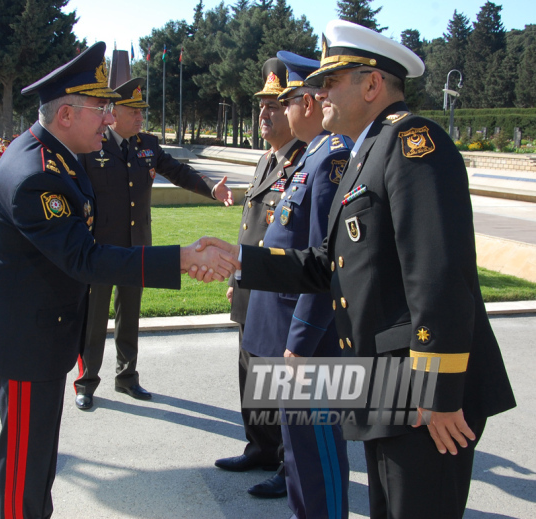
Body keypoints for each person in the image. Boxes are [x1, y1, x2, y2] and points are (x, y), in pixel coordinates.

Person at [201, 20, 516, 519]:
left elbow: (439, 274)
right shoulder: (365, 152)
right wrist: (243, 259)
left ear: (372, 85)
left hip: (422, 391)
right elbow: (329, 265)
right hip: (386, 387)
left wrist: (438, 392)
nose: (317, 92)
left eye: (330, 81)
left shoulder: (414, 144)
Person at [0, 41, 238, 519]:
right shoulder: (37, 174)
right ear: (67, 114)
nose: (109, 119)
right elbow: (84, 258)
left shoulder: (55, 153)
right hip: (29, 343)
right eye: (101, 108)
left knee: (36, 464)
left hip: (41, 334)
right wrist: (178, 258)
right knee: (24, 473)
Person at [73, 74, 233, 409]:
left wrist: (211, 189)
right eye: (135, 111)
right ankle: (86, 383)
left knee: (129, 314)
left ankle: (127, 377)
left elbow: (178, 171)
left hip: (138, 246)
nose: (141, 118)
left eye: (142, 112)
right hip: (100, 250)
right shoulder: (91, 144)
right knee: (94, 317)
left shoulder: (147, 144)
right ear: (114, 112)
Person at [246, 50, 350, 518]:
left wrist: (302, 340)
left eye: (287, 100)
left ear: (306, 103)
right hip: (288, 332)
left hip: (307, 342)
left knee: (317, 455)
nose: (282, 110)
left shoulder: (331, 159)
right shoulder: (310, 156)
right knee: (300, 456)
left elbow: (327, 263)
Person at [215, 57, 306, 499]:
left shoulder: (304, 162)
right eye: (261, 107)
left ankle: (290, 466)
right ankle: (261, 447)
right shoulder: (267, 160)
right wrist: (237, 271)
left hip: (280, 290)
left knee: (280, 381)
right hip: (251, 284)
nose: (265, 115)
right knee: (250, 372)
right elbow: (252, 220)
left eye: (274, 106)